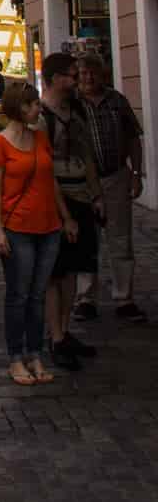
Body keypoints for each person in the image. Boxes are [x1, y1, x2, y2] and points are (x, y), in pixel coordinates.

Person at [0, 80, 74, 386]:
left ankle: (35, 354)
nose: (39, 107)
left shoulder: (40, 138)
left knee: (37, 296)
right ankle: (15, 358)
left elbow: (50, 181)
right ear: (20, 108)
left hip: (48, 226)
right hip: (18, 228)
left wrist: (66, 217)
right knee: (18, 295)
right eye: (34, 103)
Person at [40, 54, 104, 371]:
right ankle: (55, 336)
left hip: (81, 195)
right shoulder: (39, 117)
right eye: (71, 74)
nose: (77, 78)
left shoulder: (76, 109)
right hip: (55, 200)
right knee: (56, 274)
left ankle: (64, 332)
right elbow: (43, 171)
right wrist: (64, 215)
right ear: (54, 78)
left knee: (73, 271)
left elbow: (86, 154)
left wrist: (97, 195)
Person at [74, 53, 146, 322]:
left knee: (120, 240)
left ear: (102, 75)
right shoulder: (74, 105)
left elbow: (133, 139)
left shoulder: (116, 101)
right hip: (82, 183)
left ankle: (124, 298)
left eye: (93, 72)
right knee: (85, 240)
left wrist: (137, 174)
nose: (88, 78)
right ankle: (85, 298)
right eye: (82, 73)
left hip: (116, 177)